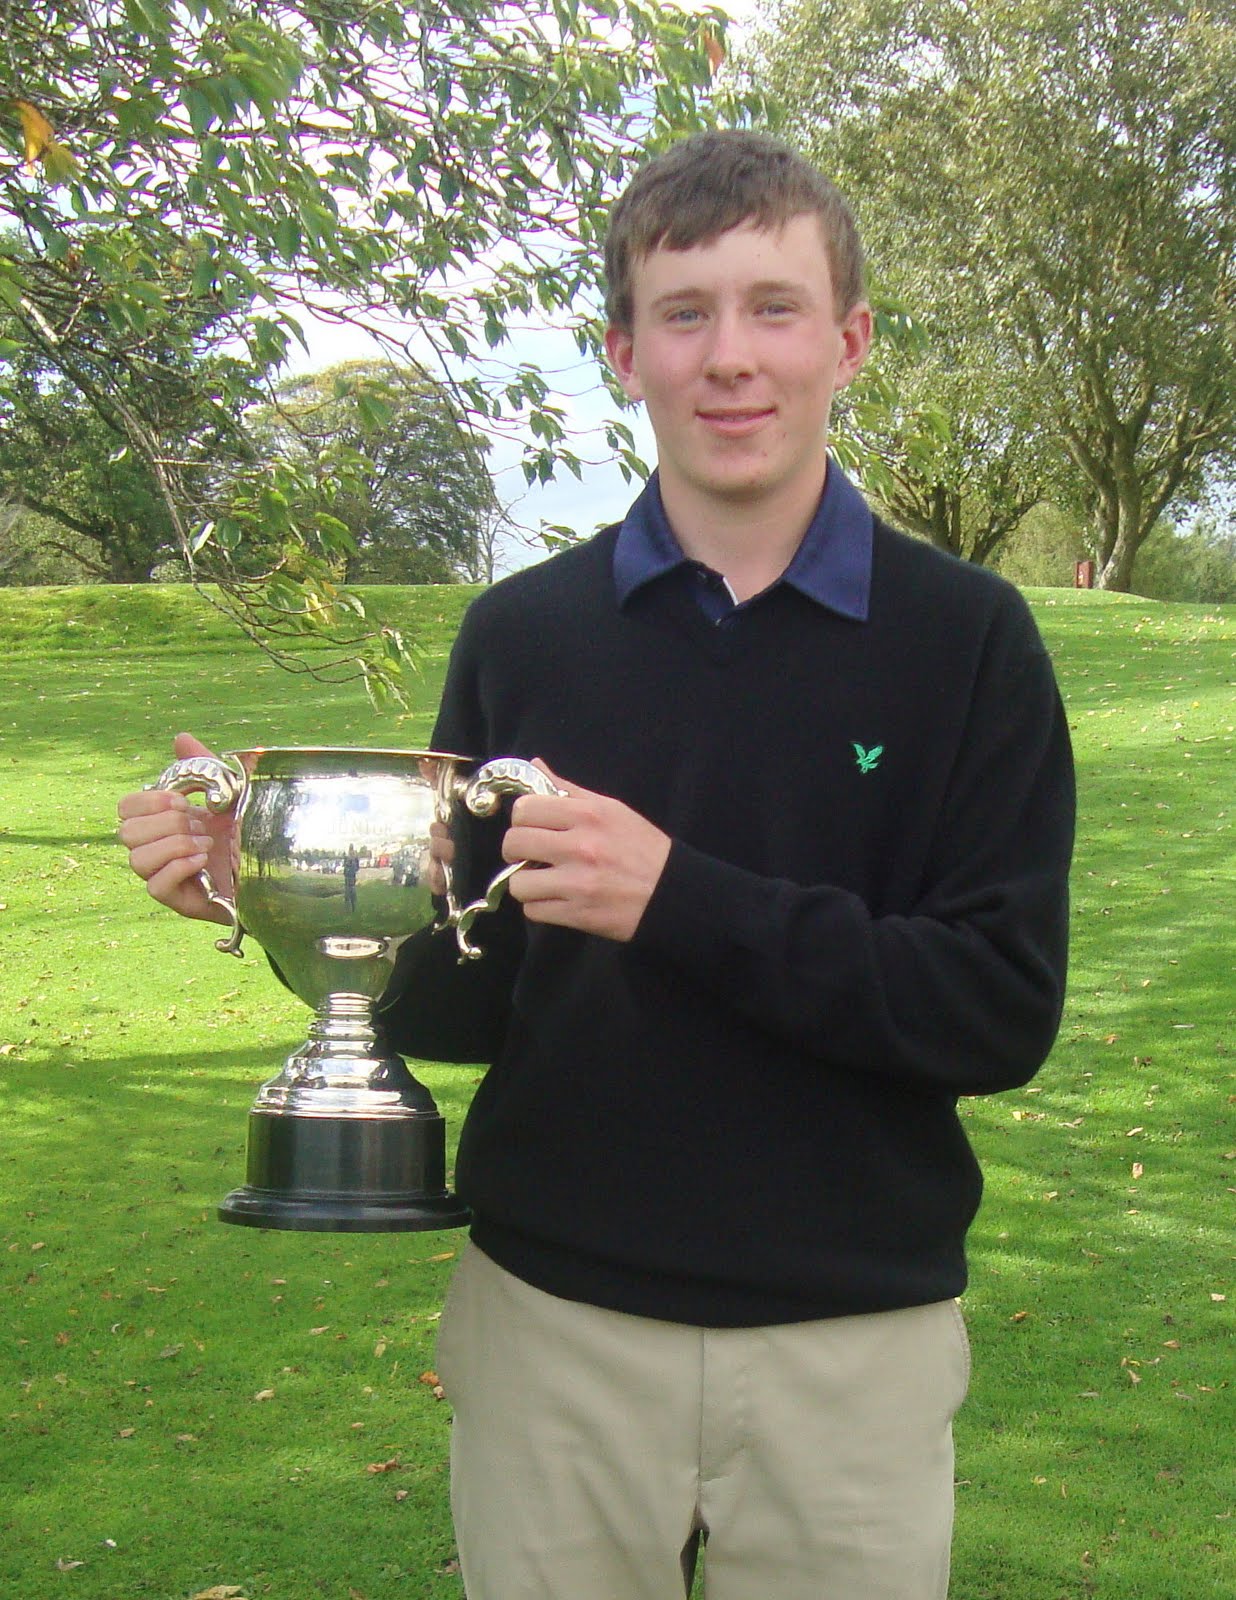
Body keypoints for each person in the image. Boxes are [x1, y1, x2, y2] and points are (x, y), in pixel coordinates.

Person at [117, 131, 1075, 1600]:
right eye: (684, 315)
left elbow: (997, 1007)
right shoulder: (526, 635)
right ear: (626, 352)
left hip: (852, 1348)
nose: (729, 358)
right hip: (552, 1326)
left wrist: (676, 896)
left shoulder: (968, 642)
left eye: (773, 308)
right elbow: (463, 998)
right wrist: (276, 886)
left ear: (850, 341)